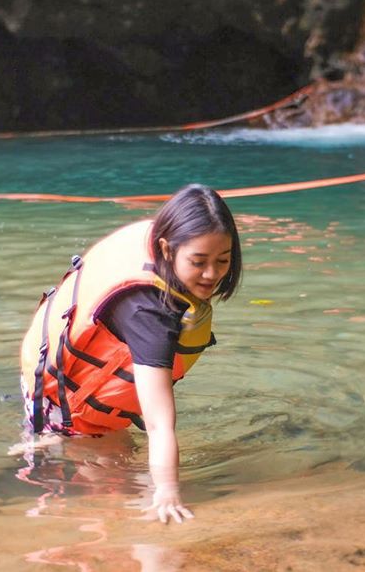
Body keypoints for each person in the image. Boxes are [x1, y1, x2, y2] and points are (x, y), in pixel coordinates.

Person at [19, 183, 242, 524]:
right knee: (114, 487)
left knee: (120, 461)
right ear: (166, 249)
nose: (212, 273)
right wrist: (166, 492)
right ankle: (49, 449)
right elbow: (159, 423)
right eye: (199, 262)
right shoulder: (146, 314)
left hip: (59, 381)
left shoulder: (161, 263)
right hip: (66, 405)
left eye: (222, 261)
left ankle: (46, 444)